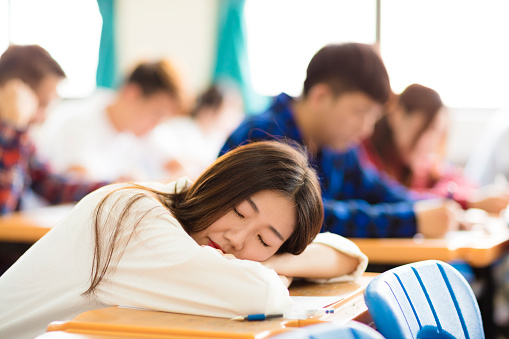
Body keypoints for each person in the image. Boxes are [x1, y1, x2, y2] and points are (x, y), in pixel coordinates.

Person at [0, 141, 368, 339]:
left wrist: (276, 263)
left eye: (265, 239)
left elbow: (347, 254)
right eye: (240, 212)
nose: (237, 239)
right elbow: (261, 295)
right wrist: (264, 268)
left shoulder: (188, 213)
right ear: (218, 184)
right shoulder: (135, 215)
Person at [221, 43, 462, 239]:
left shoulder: (337, 147)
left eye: (373, 117)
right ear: (320, 97)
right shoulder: (264, 135)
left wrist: (443, 206)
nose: (367, 129)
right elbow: (307, 216)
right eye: (360, 112)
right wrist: (413, 219)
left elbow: (379, 190)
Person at [361, 83, 509, 214]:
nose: (433, 144)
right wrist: (468, 202)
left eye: (439, 134)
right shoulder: (364, 157)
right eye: (430, 129)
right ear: (398, 115)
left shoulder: (418, 166)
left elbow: (464, 182)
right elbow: (400, 199)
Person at [36, 58, 189, 182]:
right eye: (156, 113)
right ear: (132, 93)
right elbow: (81, 188)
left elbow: (184, 172)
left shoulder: (146, 129)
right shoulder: (79, 122)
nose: (156, 124)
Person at [0, 44, 106, 215]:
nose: (43, 117)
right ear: (14, 94)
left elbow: (52, 186)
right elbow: (2, 210)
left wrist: (114, 187)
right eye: (42, 105)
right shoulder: (15, 133)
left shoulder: (21, 138)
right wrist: (13, 125)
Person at [152, 83, 244, 179]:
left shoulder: (217, 139)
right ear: (209, 109)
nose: (233, 115)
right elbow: (171, 165)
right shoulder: (181, 128)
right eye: (229, 108)